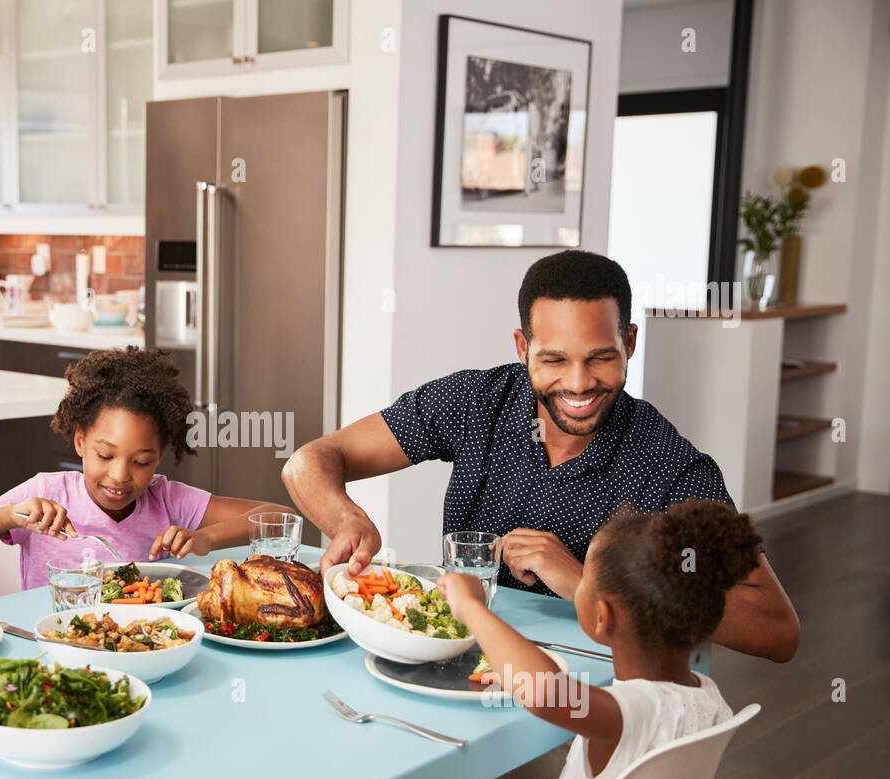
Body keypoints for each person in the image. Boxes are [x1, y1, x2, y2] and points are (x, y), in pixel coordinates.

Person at [283, 250, 799, 662]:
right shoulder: (475, 402)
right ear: (522, 347)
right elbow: (310, 460)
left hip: (582, 705)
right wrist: (347, 518)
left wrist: (586, 583)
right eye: (554, 358)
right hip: (451, 658)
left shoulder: (669, 467)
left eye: (601, 356)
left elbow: (776, 631)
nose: (578, 383)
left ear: (630, 343)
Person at [424, 499, 758, 779]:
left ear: (602, 617)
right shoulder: (708, 698)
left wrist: (470, 607)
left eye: (586, 581)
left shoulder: (634, 711)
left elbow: (544, 692)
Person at [0, 346, 294, 585]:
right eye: (105, 455)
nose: (120, 476)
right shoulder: (46, 492)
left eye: (142, 461)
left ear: (159, 456)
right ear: (80, 440)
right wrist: (10, 516)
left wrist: (205, 539)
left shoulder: (169, 501)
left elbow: (281, 516)